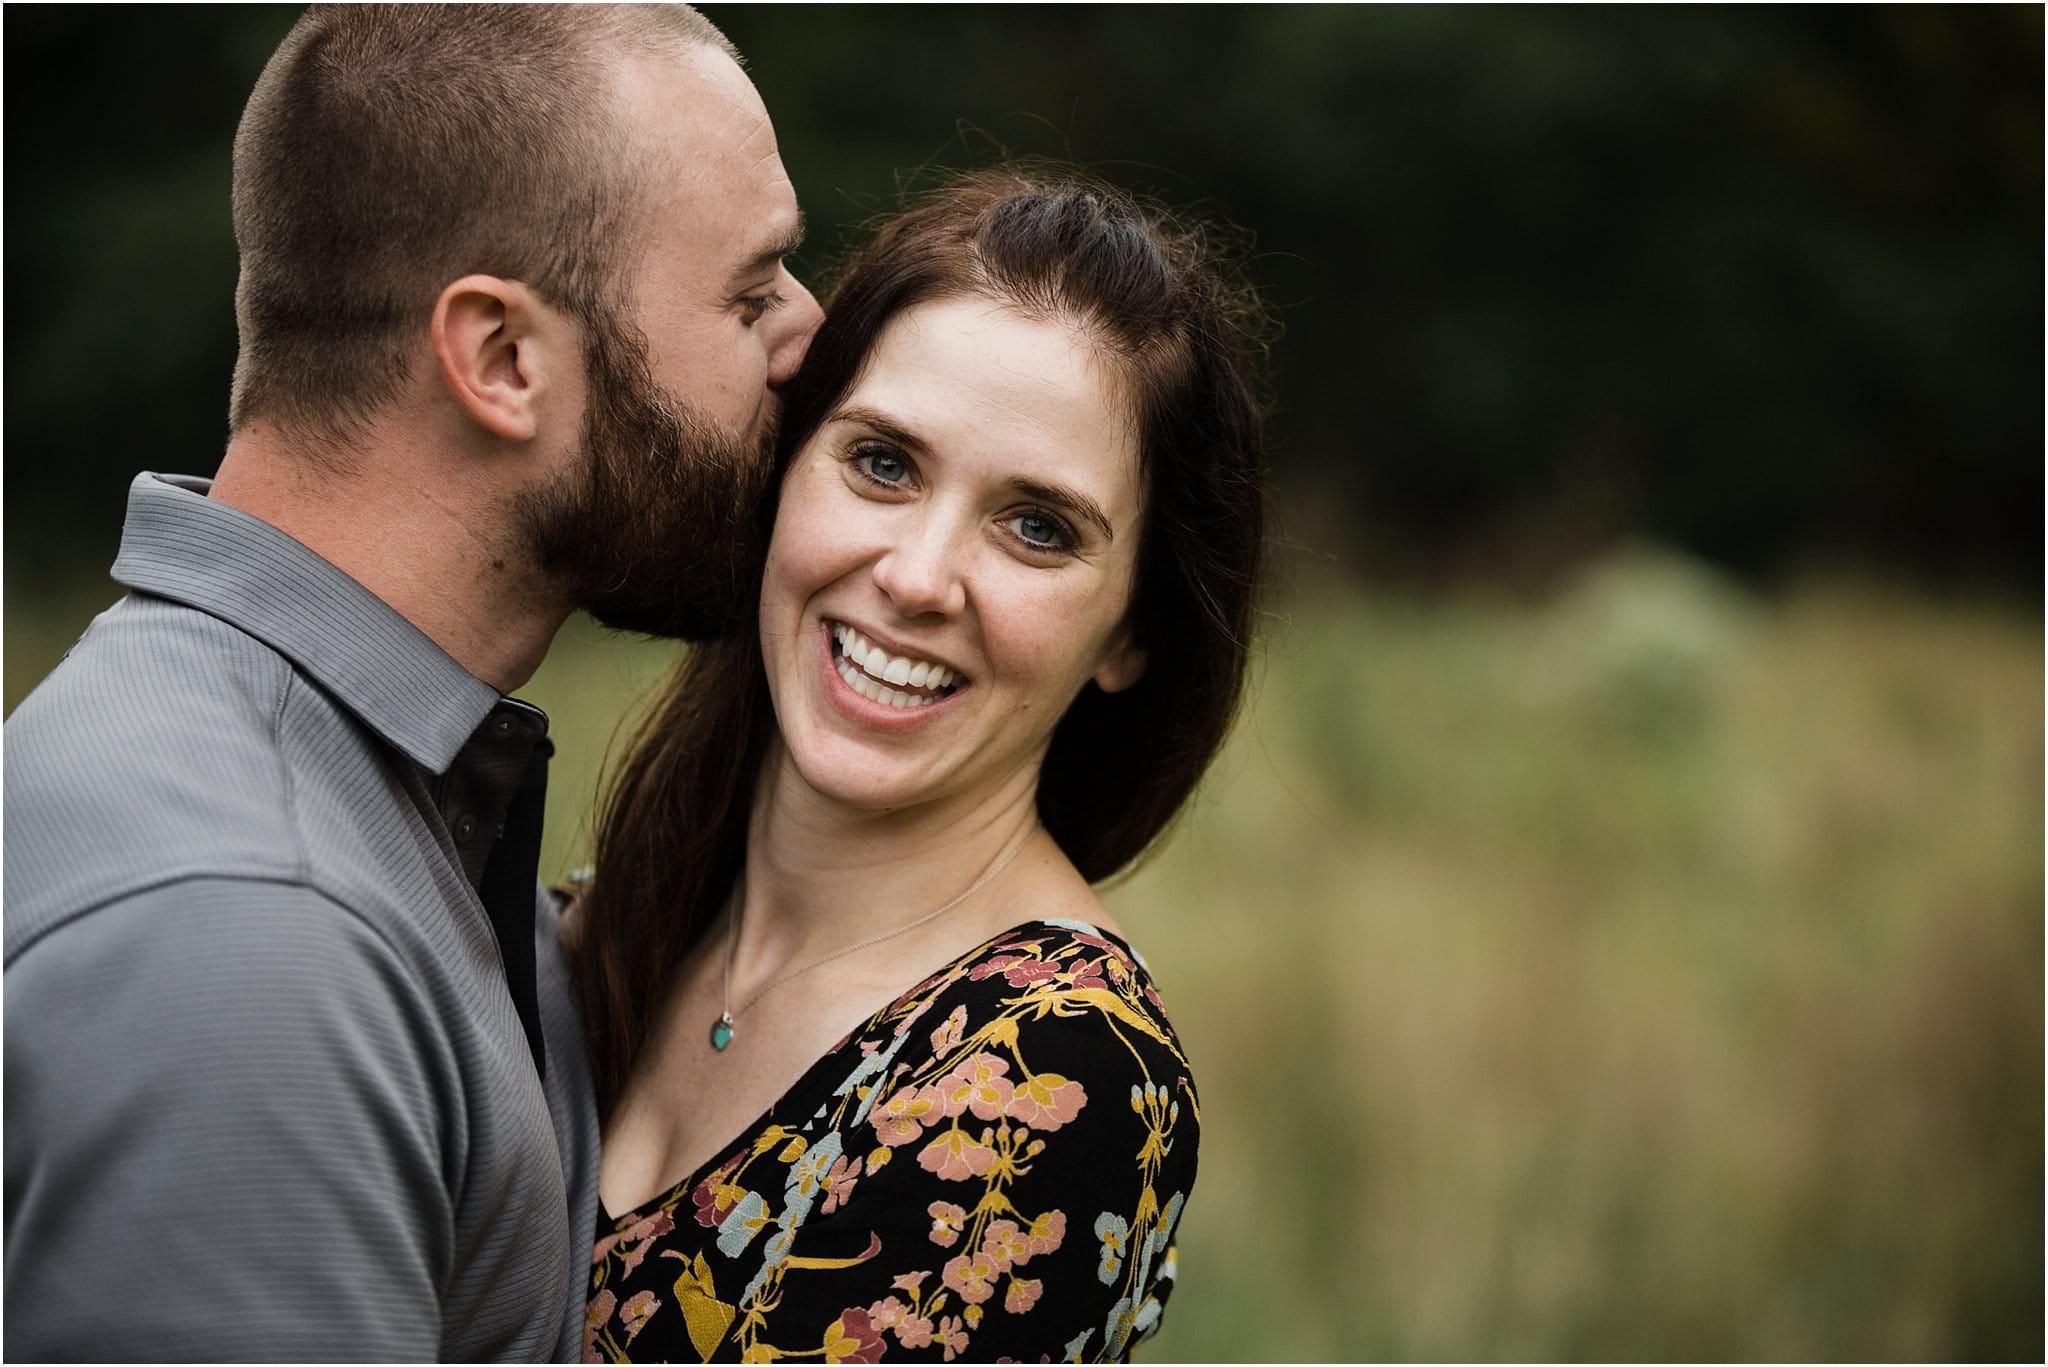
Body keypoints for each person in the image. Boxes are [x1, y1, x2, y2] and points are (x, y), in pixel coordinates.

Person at [2, 5, 821, 1360]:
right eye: (749, 292)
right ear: (502, 359)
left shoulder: (339, 784)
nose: (811, 333)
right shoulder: (253, 937)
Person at [572, 166, 1268, 1363]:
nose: (914, 575)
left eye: (1036, 526)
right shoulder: (615, 908)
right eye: (882, 463)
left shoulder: (1056, 1078)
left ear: (1131, 630)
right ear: (782, 473)